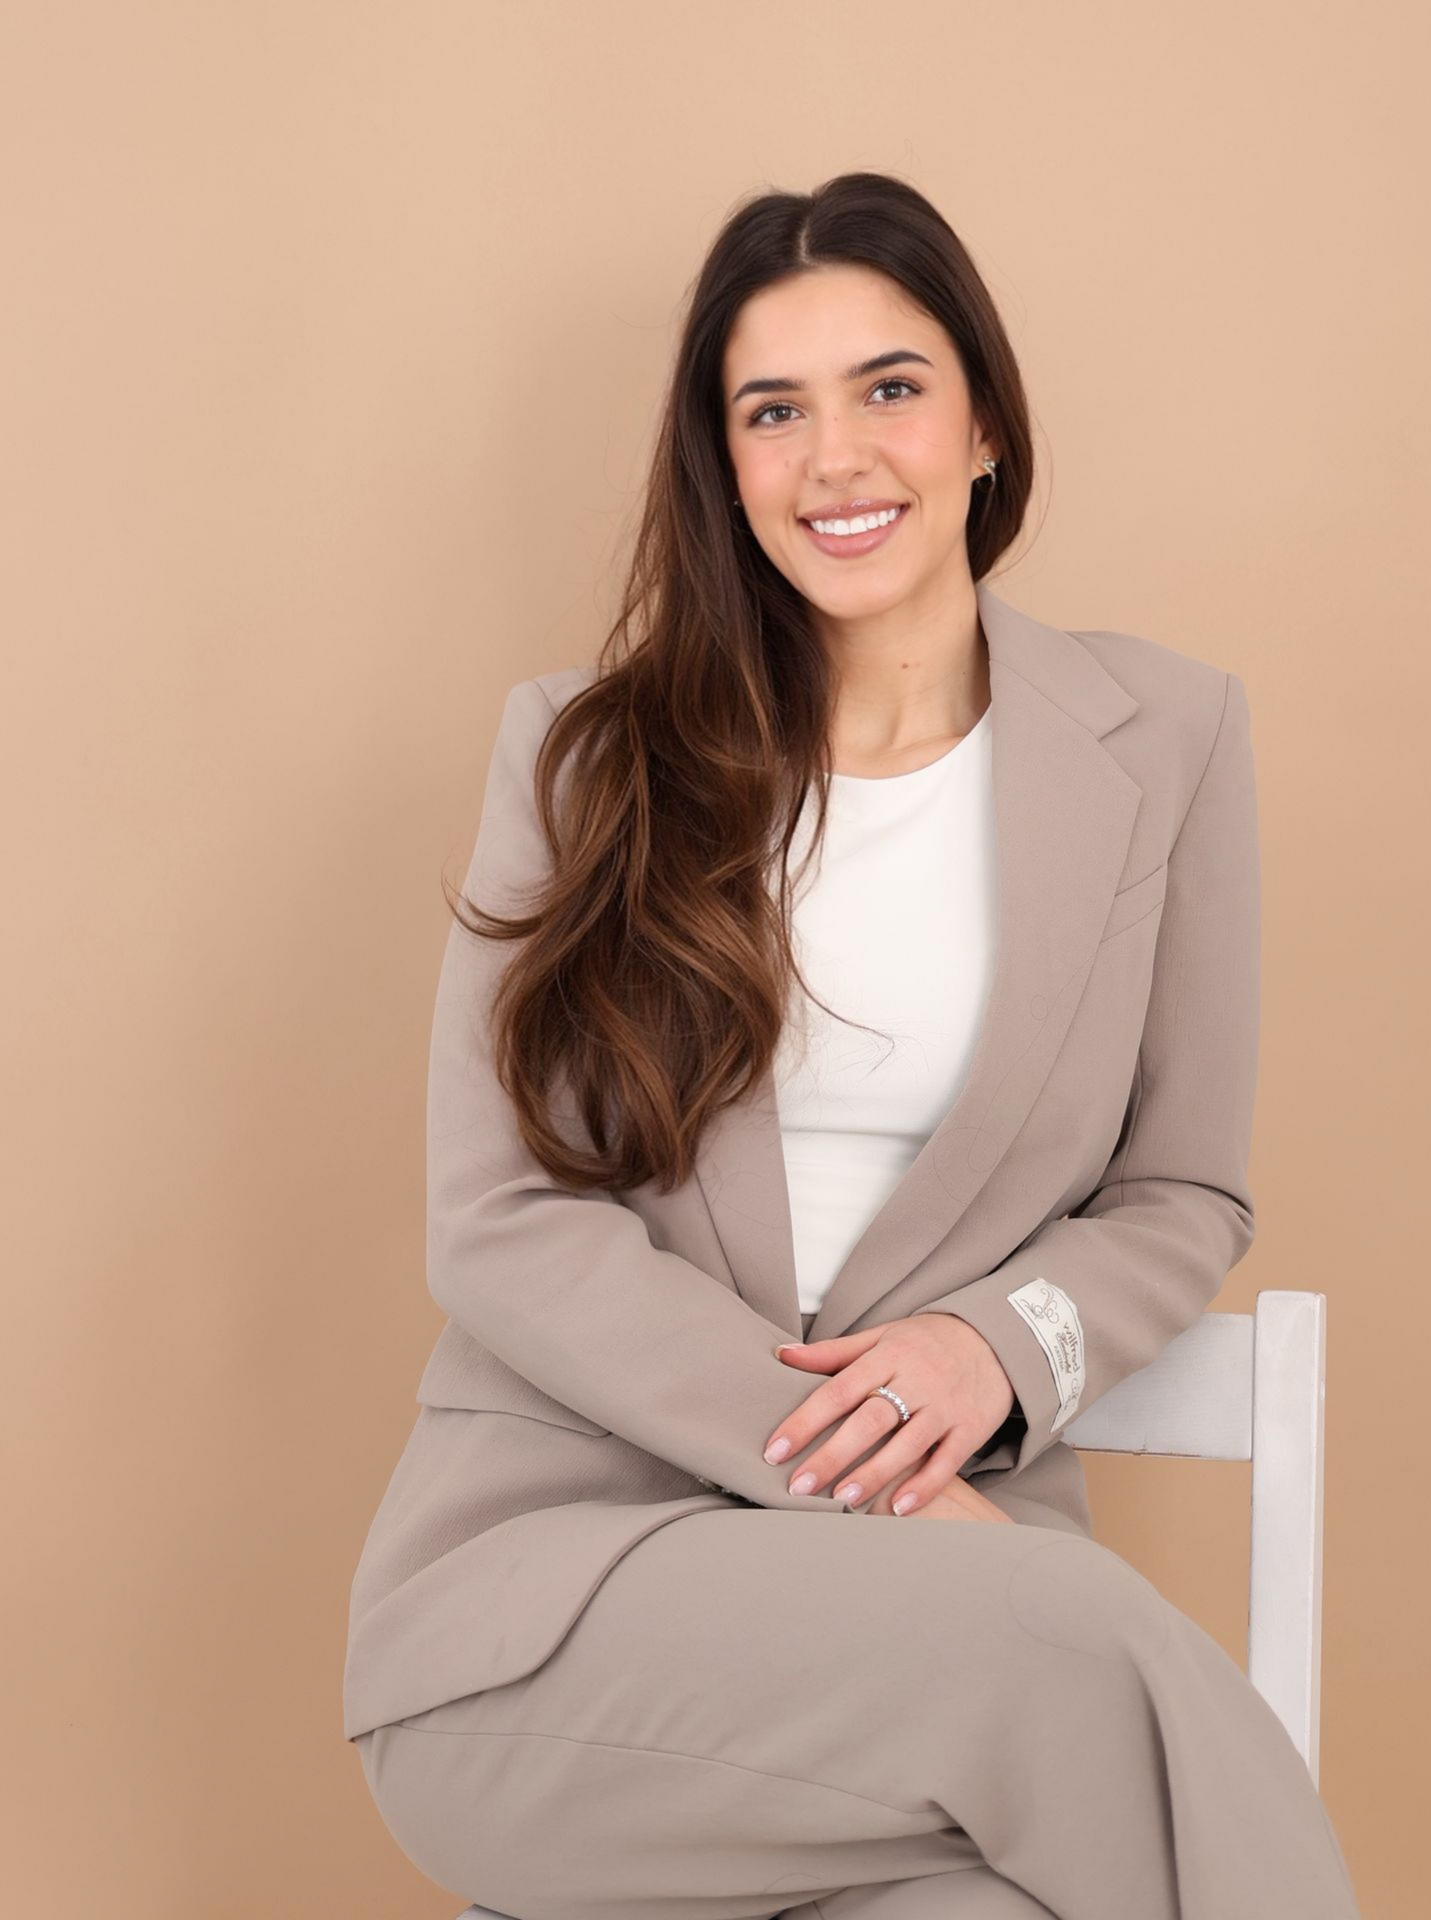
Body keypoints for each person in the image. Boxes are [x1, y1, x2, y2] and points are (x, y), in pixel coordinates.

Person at [344, 169, 1363, 1920]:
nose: (836, 459)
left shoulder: (1167, 738)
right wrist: (862, 1482)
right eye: (773, 411)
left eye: (890, 388)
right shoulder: (584, 759)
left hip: (946, 1663)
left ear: (982, 424)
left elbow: (1181, 1190)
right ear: (725, 467)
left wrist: (994, 1349)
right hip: (567, 1613)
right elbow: (499, 1217)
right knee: (1090, 1641)